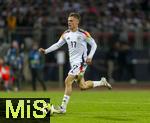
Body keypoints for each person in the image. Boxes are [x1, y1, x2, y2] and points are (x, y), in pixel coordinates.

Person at [39, 12, 112, 113]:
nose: (69, 22)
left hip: (81, 62)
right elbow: (57, 45)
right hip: (74, 63)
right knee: (83, 86)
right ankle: (101, 82)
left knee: (67, 81)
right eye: (68, 21)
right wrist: (46, 51)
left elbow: (94, 44)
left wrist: (90, 57)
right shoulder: (66, 34)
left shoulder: (83, 33)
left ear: (77, 22)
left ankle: (62, 108)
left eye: (71, 21)